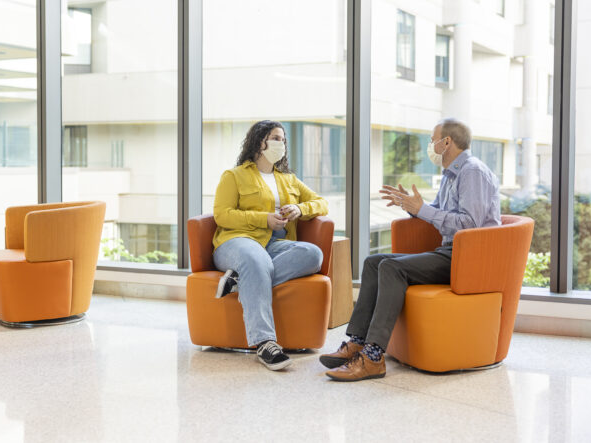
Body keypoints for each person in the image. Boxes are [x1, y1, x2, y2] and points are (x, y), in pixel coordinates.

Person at [320, 118, 501, 382]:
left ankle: (372, 357)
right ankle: (358, 341)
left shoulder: (472, 171)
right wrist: (411, 206)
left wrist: (423, 209)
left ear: (446, 142)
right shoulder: (451, 174)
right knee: (373, 262)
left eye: (432, 140)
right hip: (450, 252)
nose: (430, 145)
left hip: (468, 258)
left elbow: (470, 225)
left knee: (391, 267)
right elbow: (437, 214)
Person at [212, 120, 329, 371]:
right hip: (237, 241)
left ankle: (239, 282)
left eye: (283, 139)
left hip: (275, 244)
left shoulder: (288, 180)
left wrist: (300, 208)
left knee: (313, 254)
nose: (281, 143)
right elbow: (222, 215)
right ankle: (265, 342)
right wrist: (263, 218)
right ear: (259, 141)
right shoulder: (234, 176)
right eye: (275, 138)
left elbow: (321, 203)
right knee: (256, 260)